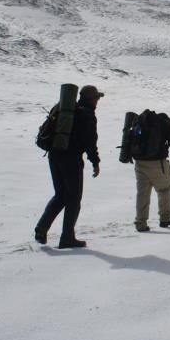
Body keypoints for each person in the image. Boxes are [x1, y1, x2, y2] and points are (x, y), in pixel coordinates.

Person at [35, 85, 102, 249]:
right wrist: (95, 162)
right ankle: (67, 237)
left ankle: (41, 229)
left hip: (54, 155)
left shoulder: (64, 108)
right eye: (96, 98)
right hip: (71, 159)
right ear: (90, 98)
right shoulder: (87, 114)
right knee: (73, 199)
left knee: (60, 195)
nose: (98, 101)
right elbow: (90, 142)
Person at [132, 111, 170, 232]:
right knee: (164, 190)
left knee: (142, 194)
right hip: (157, 163)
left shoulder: (140, 121)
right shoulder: (164, 124)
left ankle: (140, 223)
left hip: (139, 162)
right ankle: (165, 218)